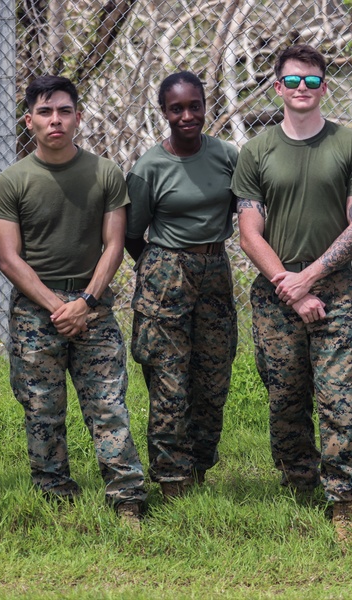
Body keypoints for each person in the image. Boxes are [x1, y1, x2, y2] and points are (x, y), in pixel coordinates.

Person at [231, 44, 352, 539]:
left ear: (324, 87)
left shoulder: (351, 146)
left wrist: (311, 277)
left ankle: (343, 500)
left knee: (341, 398)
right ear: (277, 87)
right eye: (293, 81)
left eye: (312, 81)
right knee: (285, 397)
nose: (302, 89)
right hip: (277, 291)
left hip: (334, 290)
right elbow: (250, 232)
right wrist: (290, 288)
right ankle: (298, 485)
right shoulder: (257, 151)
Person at [0, 75, 147, 523]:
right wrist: (58, 307)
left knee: (108, 405)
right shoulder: (12, 181)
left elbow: (114, 245)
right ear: (29, 121)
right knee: (41, 407)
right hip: (37, 311)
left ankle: (126, 497)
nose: (54, 120)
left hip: (92, 305)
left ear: (78, 117)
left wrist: (88, 302)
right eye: (44, 112)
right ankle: (54, 493)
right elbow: (8, 258)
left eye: (63, 111)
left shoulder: (104, 173)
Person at [125, 71, 239, 499]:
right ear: (164, 113)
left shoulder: (227, 155)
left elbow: (244, 208)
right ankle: (173, 482)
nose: (187, 115)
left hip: (215, 270)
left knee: (212, 378)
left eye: (195, 106)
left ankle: (200, 470)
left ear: (206, 106)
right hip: (166, 272)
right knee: (169, 381)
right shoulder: (150, 167)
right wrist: (163, 269)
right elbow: (132, 235)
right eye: (177, 108)